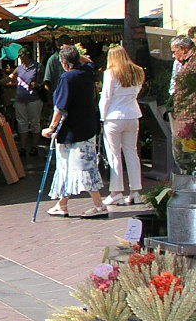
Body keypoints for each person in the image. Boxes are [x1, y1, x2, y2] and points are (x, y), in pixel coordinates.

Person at [41, 46, 106, 218]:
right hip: (87, 125)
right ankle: (61, 204)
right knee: (69, 167)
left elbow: (60, 107)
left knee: (81, 166)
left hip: (72, 129)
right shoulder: (87, 72)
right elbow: (89, 62)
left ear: (63, 63)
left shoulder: (67, 77)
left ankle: (99, 205)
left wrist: (51, 127)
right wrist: (76, 55)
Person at [100, 46, 145, 205]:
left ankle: (116, 191)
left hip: (114, 116)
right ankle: (135, 191)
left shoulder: (110, 73)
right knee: (132, 154)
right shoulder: (138, 71)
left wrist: (101, 117)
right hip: (132, 114)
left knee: (114, 155)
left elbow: (106, 97)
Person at [9, 49, 42, 155]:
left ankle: (34, 146)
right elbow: (10, 78)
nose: (19, 57)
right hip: (20, 99)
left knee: (34, 122)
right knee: (21, 123)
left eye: (20, 55)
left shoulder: (38, 66)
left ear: (27, 55)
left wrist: (37, 85)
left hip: (34, 99)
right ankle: (22, 147)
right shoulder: (19, 68)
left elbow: (44, 81)